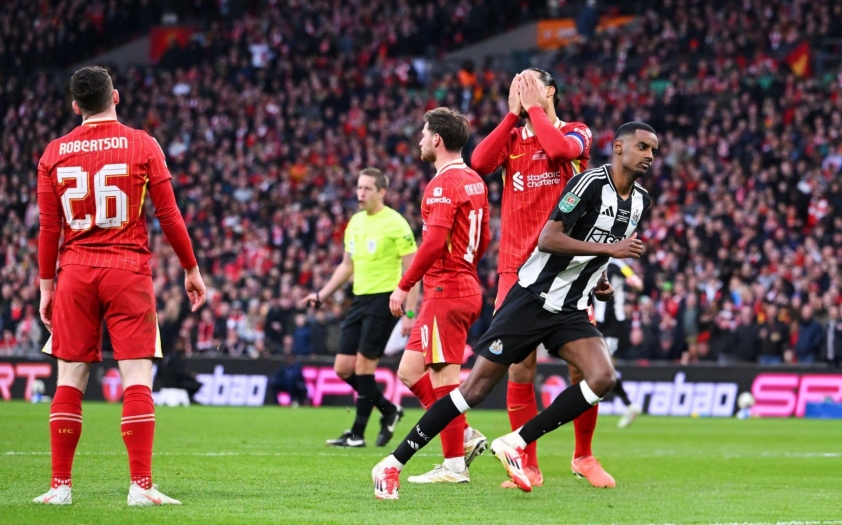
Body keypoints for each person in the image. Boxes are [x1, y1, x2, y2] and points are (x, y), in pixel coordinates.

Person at [372, 122, 656, 499]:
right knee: (474, 389)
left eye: (653, 150)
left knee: (602, 377)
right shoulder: (588, 183)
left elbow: (598, 241)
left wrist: (598, 277)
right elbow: (550, 237)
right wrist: (610, 252)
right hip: (532, 298)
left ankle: (517, 442)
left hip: (571, 306)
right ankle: (391, 464)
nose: (649, 156)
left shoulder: (640, 201)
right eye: (642, 147)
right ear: (619, 147)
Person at [34, 66, 207, 506]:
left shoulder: (54, 153)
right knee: (136, 377)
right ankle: (141, 487)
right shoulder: (142, 144)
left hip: (74, 271)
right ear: (117, 97)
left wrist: (45, 286)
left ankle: (59, 487)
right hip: (127, 270)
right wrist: (191, 269)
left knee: (70, 378)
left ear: (76, 107)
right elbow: (169, 216)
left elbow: (48, 229)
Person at [471, 68, 613, 488]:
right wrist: (513, 115)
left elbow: (557, 152)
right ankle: (527, 464)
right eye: (514, 83)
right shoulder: (512, 137)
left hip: (564, 269)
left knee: (581, 369)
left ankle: (583, 455)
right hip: (515, 267)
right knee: (520, 367)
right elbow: (479, 162)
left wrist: (533, 109)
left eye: (528, 82)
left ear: (550, 90)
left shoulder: (576, 130)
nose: (520, 88)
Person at [387, 107, 490, 484]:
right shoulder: (475, 181)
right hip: (459, 285)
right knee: (409, 370)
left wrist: (403, 285)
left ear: (437, 140)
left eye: (423, 133)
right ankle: (460, 435)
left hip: (446, 289)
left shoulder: (443, 185)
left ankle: (453, 465)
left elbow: (431, 243)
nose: (419, 139)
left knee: (445, 377)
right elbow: (485, 240)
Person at [302, 168, 417, 447]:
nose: (360, 193)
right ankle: (389, 410)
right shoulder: (354, 222)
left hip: (385, 300)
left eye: (367, 188)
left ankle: (356, 434)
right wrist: (322, 294)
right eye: (358, 187)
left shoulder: (396, 223)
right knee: (343, 368)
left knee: (365, 366)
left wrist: (410, 314)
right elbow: (346, 265)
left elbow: (413, 271)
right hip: (360, 298)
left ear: (381, 192)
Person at [593, 259, 644, 428]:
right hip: (598, 322)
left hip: (615, 324)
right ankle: (629, 405)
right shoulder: (591, 259)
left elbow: (638, 284)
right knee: (600, 368)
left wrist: (634, 282)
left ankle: (629, 405)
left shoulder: (617, 264)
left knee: (605, 368)